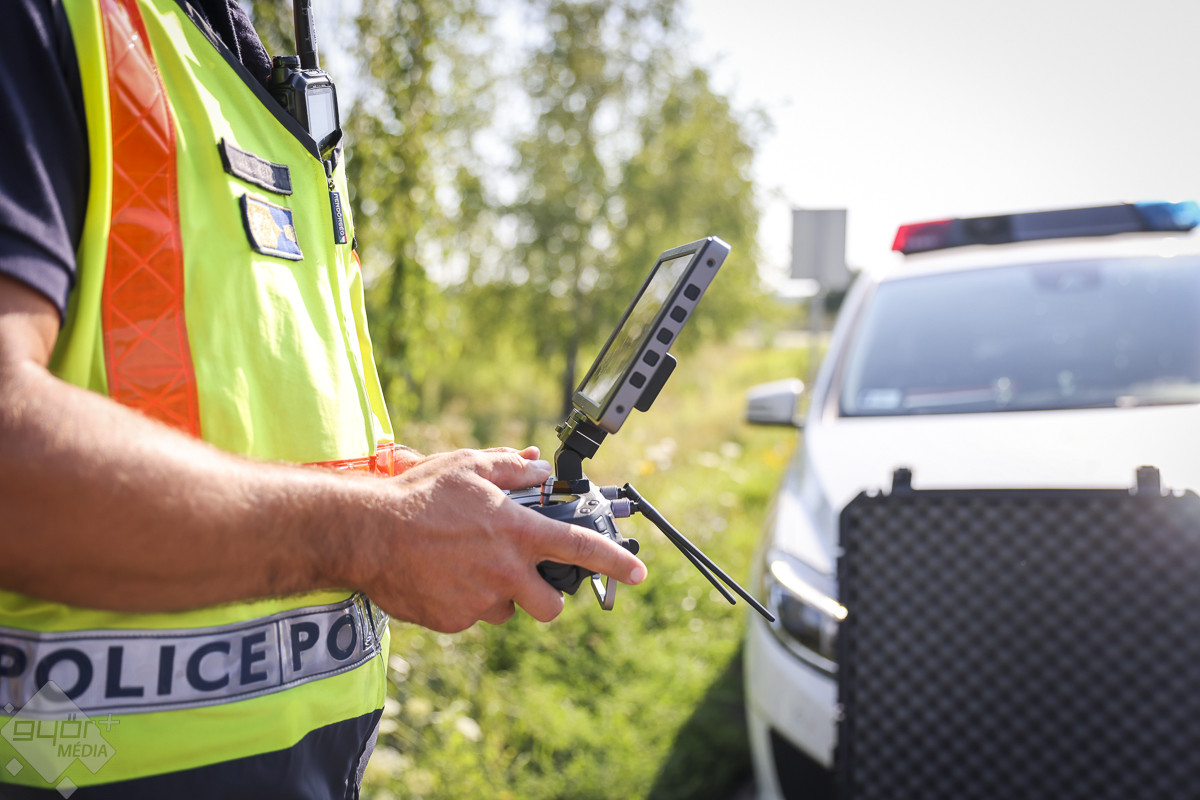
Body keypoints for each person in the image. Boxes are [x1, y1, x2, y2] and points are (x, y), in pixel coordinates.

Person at [0, 0, 646, 797]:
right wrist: (379, 533)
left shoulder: (241, 67)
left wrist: (413, 491)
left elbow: (256, 408)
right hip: (71, 768)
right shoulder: (55, 24)